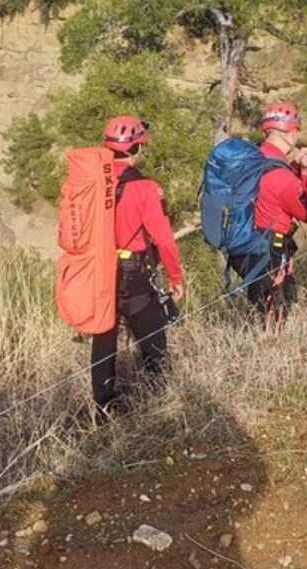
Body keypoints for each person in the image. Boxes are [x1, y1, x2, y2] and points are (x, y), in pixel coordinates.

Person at [90, 116, 186, 414]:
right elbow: (164, 240)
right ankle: (159, 401)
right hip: (133, 277)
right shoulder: (146, 188)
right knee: (152, 337)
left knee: (103, 341)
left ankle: (104, 408)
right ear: (137, 148)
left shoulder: (93, 182)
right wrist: (175, 277)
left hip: (98, 273)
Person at [229, 102, 307, 324]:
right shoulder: (282, 178)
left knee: (260, 307)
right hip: (270, 250)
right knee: (274, 311)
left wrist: (297, 167)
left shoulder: (255, 159)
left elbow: (270, 188)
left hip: (244, 245)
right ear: (290, 133)